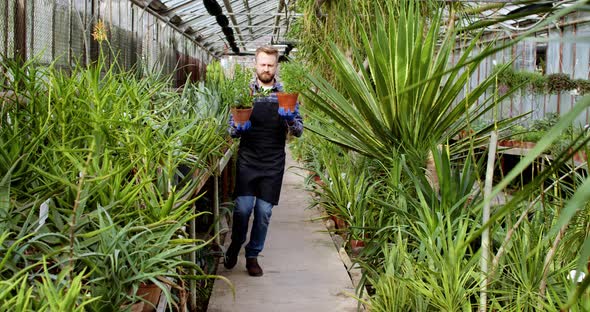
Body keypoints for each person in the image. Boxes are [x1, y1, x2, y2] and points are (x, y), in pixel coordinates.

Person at [224, 46, 303, 277]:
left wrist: (289, 121)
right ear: (255, 65)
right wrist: (238, 128)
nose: (266, 69)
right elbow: (231, 130)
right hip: (249, 159)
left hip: (273, 161)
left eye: (270, 65)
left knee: (264, 212)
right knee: (242, 208)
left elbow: (298, 130)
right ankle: (236, 242)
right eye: (263, 64)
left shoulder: (286, 94)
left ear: (276, 66)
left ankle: (252, 255)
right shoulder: (244, 92)